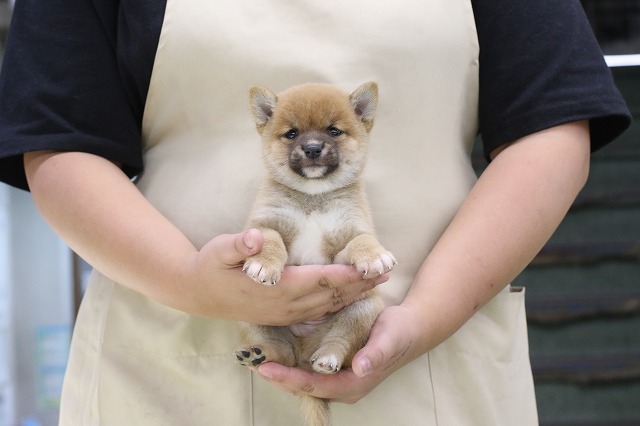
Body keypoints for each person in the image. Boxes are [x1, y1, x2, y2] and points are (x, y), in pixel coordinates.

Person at [0, 0, 631, 425]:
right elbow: (59, 143)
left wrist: (423, 318)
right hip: (169, 371)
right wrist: (185, 281)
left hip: (431, 360)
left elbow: (551, 130)